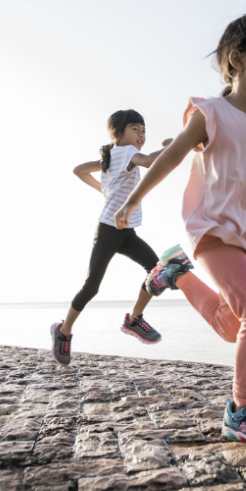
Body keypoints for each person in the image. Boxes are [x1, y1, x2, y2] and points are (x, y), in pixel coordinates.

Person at [114, 8, 246, 446]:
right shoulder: (211, 112)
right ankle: (245, 411)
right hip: (213, 231)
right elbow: (175, 154)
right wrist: (134, 197)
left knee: (234, 326)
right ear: (236, 60)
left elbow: (245, 151)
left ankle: (174, 271)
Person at [49, 110, 172, 365]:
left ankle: (134, 320)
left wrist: (104, 189)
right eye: (135, 129)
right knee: (92, 286)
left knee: (156, 270)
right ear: (118, 133)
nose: (141, 134)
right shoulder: (126, 152)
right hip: (108, 230)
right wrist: (172, 147)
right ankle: (63, 331)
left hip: (125, 232)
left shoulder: (111, 155)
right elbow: (149, 161)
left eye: (143, 130)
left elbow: (79, 170)